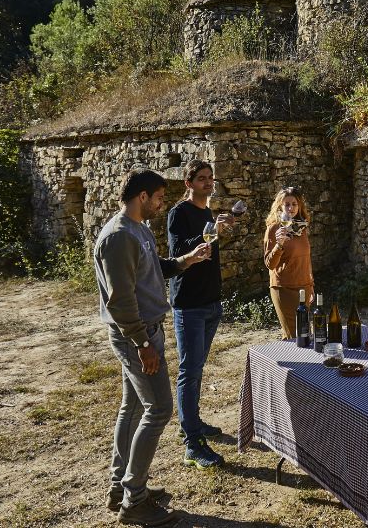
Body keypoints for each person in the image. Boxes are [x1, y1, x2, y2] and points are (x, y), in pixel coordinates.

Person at [95, 168, 210, 527]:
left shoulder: (138, 230)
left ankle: (121, 487)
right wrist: (143, 343)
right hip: (137, 335)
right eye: (159, 197)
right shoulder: (118, 237)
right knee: (159, 409)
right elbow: (120, 299)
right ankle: (135, 500)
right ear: (142, 196)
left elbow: (153, 270)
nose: (162, 204)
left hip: (146, 332)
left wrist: (187, 260)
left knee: (132, 408)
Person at [165, 160, 234, 469]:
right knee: (189, 371)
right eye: (202, 179)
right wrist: (210, 232)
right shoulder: (178, 213)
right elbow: (178, 251)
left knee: (197, 368)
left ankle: (193, 422)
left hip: (211, 301)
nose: (208, 183)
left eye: (210, 178)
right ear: (188, 183)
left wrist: (216, 228)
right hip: (189, 304)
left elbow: (209, 254)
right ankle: (192, 443)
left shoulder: (208, 212)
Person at [263, 185, 314, 340]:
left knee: (305, 334)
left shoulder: (301, 228)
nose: (291, 208)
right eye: (287, 204)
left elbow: (307, 259)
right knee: (294, 336)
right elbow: (269, 264)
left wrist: (311, 284)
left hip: (304, 287)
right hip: (284, 289)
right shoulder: (274, 229)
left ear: (299, 206)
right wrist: (279, 244)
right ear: (280, 206)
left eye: (294, 204)